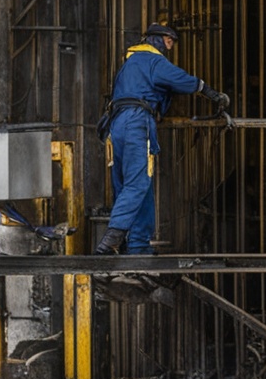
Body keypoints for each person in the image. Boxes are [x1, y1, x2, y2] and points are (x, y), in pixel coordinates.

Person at [96, 23, 229, 255]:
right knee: (137, 184)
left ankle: (137, 247)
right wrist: (209, 92)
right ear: (158, 39)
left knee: (136, 186)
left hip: (115, 125)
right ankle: (111, 241)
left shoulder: (128, 63)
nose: (170, 47)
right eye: (169, 42)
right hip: (137, 121)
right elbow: (181, 79)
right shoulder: (152, 60)